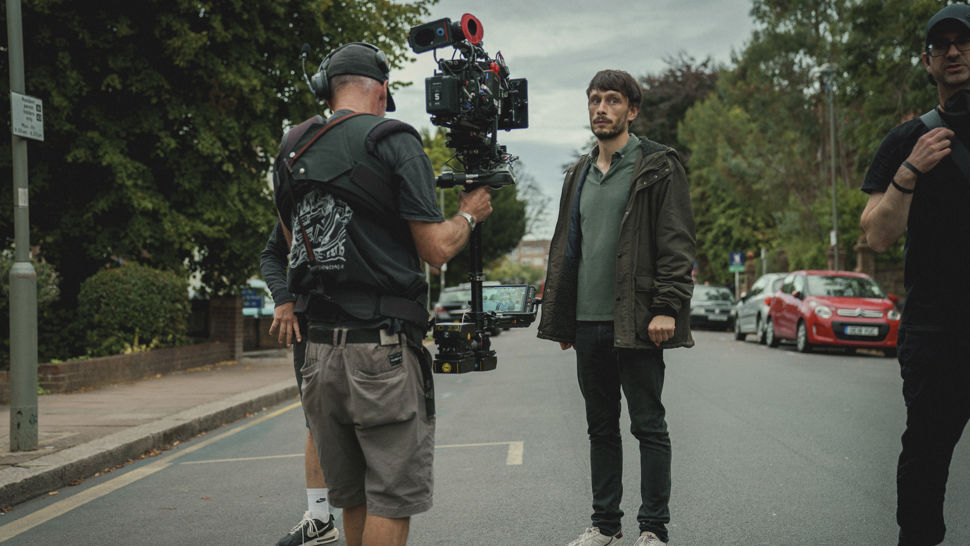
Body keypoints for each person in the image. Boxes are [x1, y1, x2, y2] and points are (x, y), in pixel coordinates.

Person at [273, 42, 492, 546]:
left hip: (319, 354)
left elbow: (291, 247)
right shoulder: (394, 138)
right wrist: (469, 215)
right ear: (382, 92)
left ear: (327, 87)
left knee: (353, 496)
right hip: (381, 351)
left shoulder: (291, 147)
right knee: (391, 498)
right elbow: (436, 250)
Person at [538, 69, 695, 546]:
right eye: (593, 100)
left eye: (611, 100)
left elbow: (676, 242)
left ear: (632, 109)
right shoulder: (577, 175)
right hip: (587, 323)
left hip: (640, 321)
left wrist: (667, 306)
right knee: (600, 428)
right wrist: (564, 314)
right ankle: (606, 525)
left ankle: (653, 529)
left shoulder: (657, 165)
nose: (600, 108)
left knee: (648, 425)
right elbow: (567, 246)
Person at [860, 4, 970, 545]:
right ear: (928, 61)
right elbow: (875, 237)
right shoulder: (907, 139)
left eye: (964, 41)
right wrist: (910, 171)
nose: (954, 51)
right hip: (935, 334)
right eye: (942, 45)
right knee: (924, 466)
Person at [260, 222, 339, 545]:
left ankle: (376, 516)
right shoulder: (300, 196)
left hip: (367, 322)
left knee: (367, 420)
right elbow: (272, 255)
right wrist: (283, 299)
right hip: (310, 327)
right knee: (316, 422)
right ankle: (319, 519)